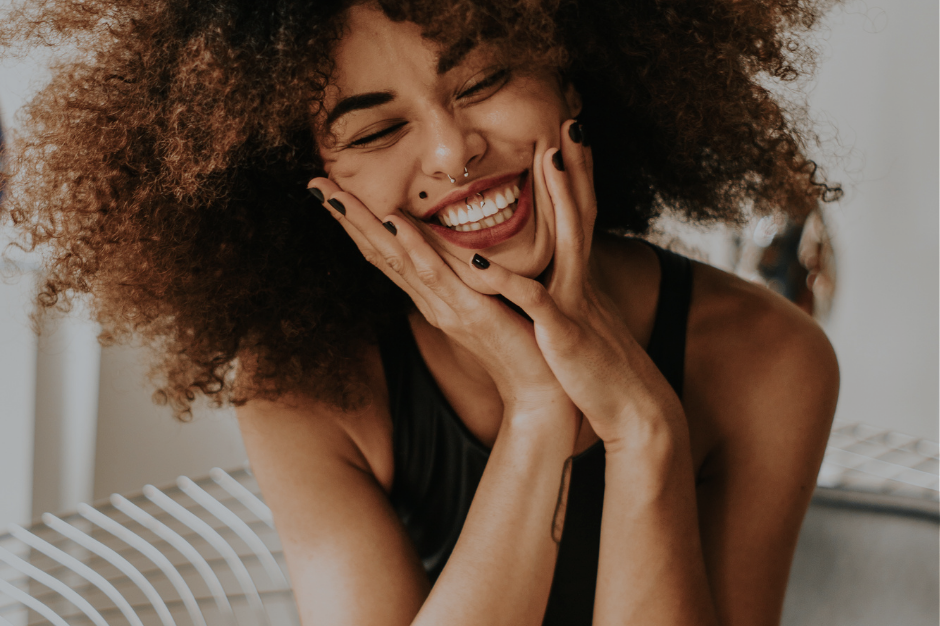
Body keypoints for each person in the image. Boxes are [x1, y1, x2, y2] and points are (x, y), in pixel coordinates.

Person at [0, 0, 841, 623]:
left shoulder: (769, 360)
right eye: (373, 133)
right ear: (317, 190)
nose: (452, 152)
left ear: (570, 77)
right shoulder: (309, 389)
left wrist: (643, 426)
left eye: (482, 81)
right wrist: (541, 406)